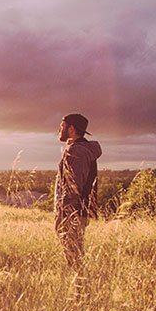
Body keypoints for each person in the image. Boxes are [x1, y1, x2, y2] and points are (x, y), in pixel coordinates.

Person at [55, 113, 103, 271]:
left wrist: (67, 212)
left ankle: (78, 285)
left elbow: (75, 186)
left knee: (73, 253)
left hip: (73, 211)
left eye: (62, 126)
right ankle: (77, 282)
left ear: (71, 129)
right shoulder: (75, 149)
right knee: (72, 251)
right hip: (73, 211)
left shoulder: (78, 152)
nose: (59, 129)